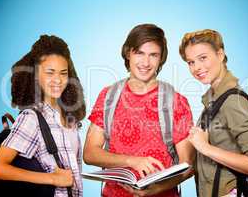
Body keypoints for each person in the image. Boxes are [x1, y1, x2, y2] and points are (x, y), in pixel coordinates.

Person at [83, 24, 194, 197]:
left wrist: (157, 189)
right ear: (128, 53)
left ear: (161, 58)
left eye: (153, 55)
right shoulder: (108, 96)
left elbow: (188, 165)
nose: (146, 62)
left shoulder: (176, 101)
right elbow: (90, 153)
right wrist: (131, 161)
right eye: (139, 53)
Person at [0, 35, 86, 197]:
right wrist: (52, 179)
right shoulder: (31, 117)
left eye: (63, 73)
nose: (58, 80)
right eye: (50, 72)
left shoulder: (70, 118)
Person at [179, 29, 248, 197]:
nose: (197, 67)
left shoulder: (232, 101)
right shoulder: (214, 100)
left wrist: (205, 147)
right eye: (191, 62)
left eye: (203, 58)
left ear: (220, 54)